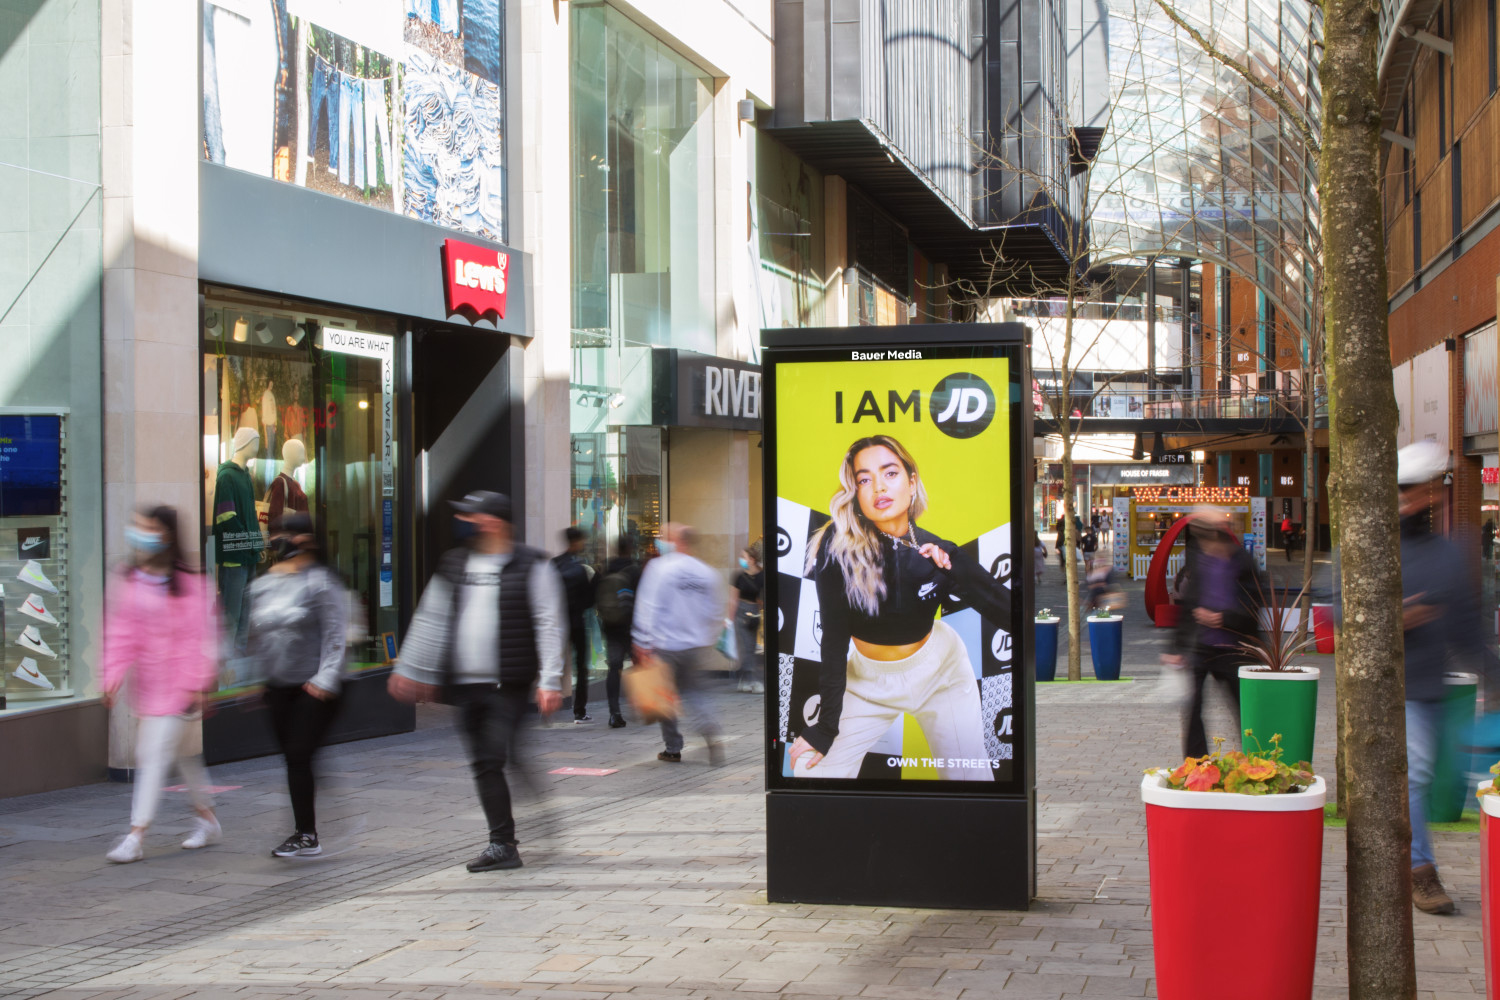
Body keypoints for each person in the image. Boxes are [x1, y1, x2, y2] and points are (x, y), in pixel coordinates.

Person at [1334, 441, 1498, 915]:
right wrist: (1396, 617)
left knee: (1437, 778)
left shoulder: (1449, 553)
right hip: (1387, 688)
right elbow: (1344, 614)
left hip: (1432, 688)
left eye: (1423, 488)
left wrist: (1493, 677)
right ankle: (1420, 871)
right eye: (1404, 489)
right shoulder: (1364, 547)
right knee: (1419, 773)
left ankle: (1401, 858)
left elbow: (1467, 626)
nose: (1413, 497)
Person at [789, 434, 1011, 781]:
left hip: (941, 672)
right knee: (810, 770)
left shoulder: (938, 550)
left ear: (912, 481)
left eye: (890, 473)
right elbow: (833, 640)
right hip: (868, 680)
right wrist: (826, 727)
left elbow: (1007, 612)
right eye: (864, 479)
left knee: (971, 777)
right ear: (855, 493)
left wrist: (953, 568)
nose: (879, 487)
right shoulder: (837, 548)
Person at [388, 491, 566, 872]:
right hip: (466, 687)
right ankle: (510, 836)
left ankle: (504, 842)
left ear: (494, 523)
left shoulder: (532, 565)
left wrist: (550, 680)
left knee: (492, 757)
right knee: (488, 762)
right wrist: (413, 669)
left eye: (472, 517)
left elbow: (549, 623)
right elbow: (431, 617)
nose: (464, 522)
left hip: (508, 684)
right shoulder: (455, 562)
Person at [100, 506, 222, 863]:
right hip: (149, 688)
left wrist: (199, 682)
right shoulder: (129, 579)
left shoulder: (190, 582)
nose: (139, 534)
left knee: (151, 755)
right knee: (183, 756)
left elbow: (202, 636)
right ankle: (207, 819)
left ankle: (136, 835)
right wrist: (112, 675)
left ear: (166, 535)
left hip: (181, 686)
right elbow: (121, 633)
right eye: (138, 527)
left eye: (148, 528)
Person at [245, 513, 350, 858]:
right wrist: (253, 680)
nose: (281, 540)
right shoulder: (264, 584)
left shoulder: (321, 582)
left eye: (289, 534)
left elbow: (335, 634)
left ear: (307, 540)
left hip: (314, 687)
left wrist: (325, 680)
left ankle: (306, 834)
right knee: (296, 758)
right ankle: (311, 820)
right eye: (276, 534)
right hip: (278, 686)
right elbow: (258, 635)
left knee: (299, 754)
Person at [1163, 505, 1266, 761]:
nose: (1205, 544)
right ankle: (1198, 765)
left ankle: (1256, 761)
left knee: (1245, 709)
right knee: (1192, 707)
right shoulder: (1198, 557)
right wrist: (1175, 647)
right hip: (1201, 646)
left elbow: (1255, 604)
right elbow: (1189, 604)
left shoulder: (1243, 562)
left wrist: (1223, 618)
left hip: (1234, 648)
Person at [632, 523, 726, 764]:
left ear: (677, 541)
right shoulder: (706, 573)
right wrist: (707, 638)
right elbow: (716, 611)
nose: (661, 541)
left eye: (665, 537)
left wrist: (641, 642)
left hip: (665, 646)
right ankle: (709, 729)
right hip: (693, 646)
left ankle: (673, 747)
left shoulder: (659, 568)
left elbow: (647, 608)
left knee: (663, 698)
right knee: (695, 692)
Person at [595, 537, 642, 728]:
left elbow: (596, 595)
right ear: (630, 548)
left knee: (614, 668)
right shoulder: (635, 570)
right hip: (632, 627)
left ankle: (614, 713)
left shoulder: (607, 568)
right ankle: (640, 703)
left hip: (611, 626)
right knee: (640, 665)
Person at [553, 526, 596, 723]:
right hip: (576, 622)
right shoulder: (579, 569)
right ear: (577, 542)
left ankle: (548, 703)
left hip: (557, 622)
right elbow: (588, 601)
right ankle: (579, 710)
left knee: (555, 663)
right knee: (581, 666)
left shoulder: (553, 565)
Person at [732, 541, 765, 694]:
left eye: (743, 557)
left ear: (752, 559)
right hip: (741, 613)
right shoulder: (739, 576)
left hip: (754, 613)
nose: (741, 559)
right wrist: (728, 619)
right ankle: (752, 680)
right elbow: (733, 599)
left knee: (750, 647)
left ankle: (744, 680)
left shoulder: (762, 576)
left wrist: (759, 609)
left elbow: (762, 599)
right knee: (746, 648)